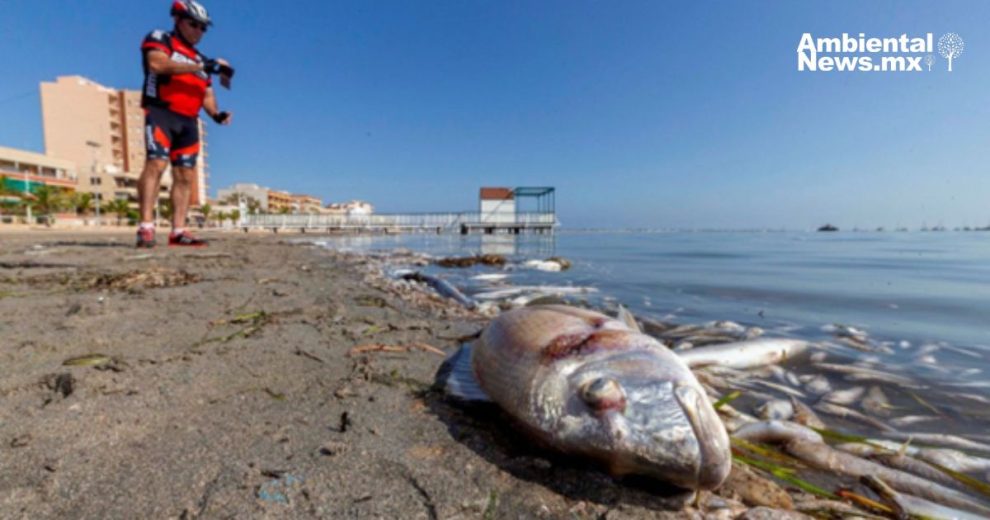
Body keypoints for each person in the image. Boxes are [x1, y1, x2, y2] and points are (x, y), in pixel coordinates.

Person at [136, 0, 234, 248]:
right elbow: (156, 64)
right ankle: (146, 226)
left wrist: (216, 114)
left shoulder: (201, 59)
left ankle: (178, 230)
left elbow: (207, 95)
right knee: (156, 164)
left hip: (189, 121)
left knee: (185, 176)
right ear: (178, 20)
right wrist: (203, 65)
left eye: (204, 28)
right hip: (162, 113)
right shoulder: (161, 38)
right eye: (194, 25)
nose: (199, 32)